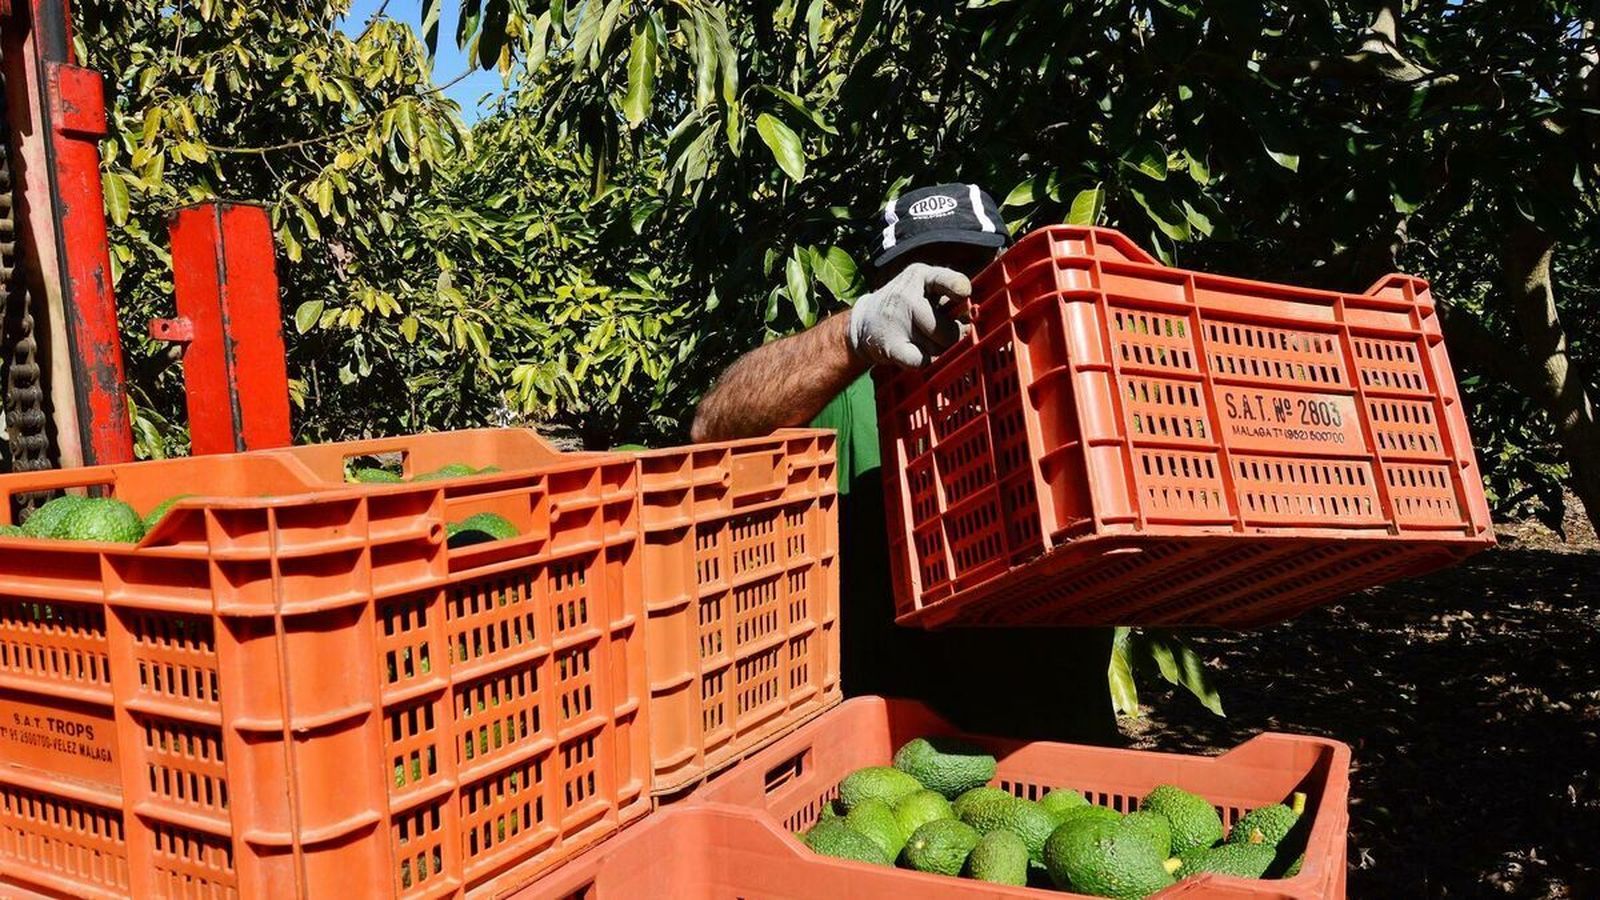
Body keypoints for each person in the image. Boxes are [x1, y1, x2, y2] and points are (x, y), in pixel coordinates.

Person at [692, 184, 1117, 744]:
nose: (946, 296)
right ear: (884, 289)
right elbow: (710, 430)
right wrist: (852, 334)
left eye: (969, 268)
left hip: (1060, 756)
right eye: (921, 275)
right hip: (900, 761)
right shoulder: (851, 396)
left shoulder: (1061, 381)